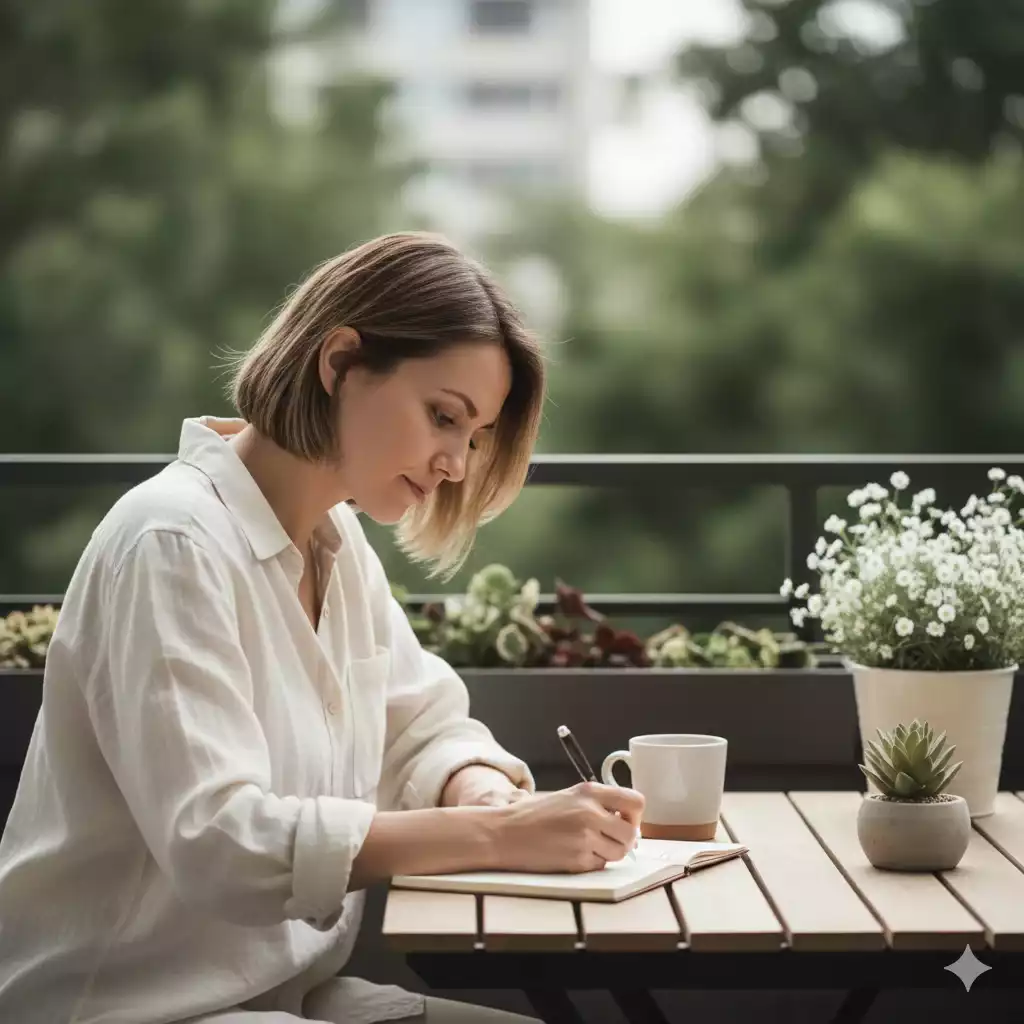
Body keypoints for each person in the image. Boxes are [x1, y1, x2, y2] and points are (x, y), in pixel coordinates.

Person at [0, 232, 644, 1024]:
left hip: (288, 994)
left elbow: (419, 729)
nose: (454, 464)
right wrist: (495, 834)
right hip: (128, 1007)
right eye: (443, 416)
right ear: (338, 362)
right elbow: (221, 840)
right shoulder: (170, 543)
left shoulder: (337, 546)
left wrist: (480, 789)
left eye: (471, 438)